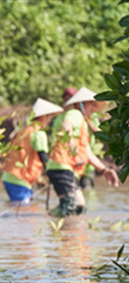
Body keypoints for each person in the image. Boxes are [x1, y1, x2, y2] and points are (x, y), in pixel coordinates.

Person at [46, 87, 120, 217]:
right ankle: (53, 229)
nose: (93, 108)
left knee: (80, 206)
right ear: (82, 104)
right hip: (61, 165)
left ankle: (61, 227)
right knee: (70, 205)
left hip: (68, 169)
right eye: (91, 104)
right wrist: (71, 145)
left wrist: (104, 170)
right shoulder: (76, 114)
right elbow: (66, 125)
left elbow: (87, 152)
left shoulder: (83, 123)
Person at [2, 98, 63, 205]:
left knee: (23, 206)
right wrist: (53, 175)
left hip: (10, 176)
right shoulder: (39, 133)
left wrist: (39, 177)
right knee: (23, 210)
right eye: (49, 117)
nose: (49, 121)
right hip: (19, 178)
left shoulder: (26, 131)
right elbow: (43, 156)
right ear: (44, 117)